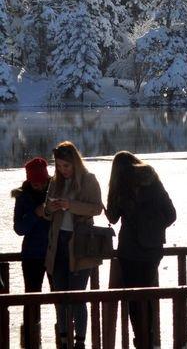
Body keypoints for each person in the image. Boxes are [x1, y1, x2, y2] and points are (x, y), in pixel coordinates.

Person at [106, 152, 177, 349]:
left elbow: (112, 217)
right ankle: (149, 338)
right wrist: (153, 227)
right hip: (153, 249)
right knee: (147, 295)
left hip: (129, 250)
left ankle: (141, 339)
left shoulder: (120, 183)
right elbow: (171, 214)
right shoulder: (152, 178)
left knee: (134, 297)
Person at [44, 142, 103, 349]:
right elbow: (46, 212)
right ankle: (63, 338)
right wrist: (50, 208)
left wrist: (71, 206)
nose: (62, 170)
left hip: (80, 244)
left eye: (66, 166)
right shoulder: (55, 182)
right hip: (58, 244)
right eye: (59, 166)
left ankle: (80, 341)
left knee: (78, 295)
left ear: (75, 163)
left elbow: (97, 209)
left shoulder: (89, 180)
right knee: (59, 295)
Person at [12, 157, 52, 348]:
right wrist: (35, 214)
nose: (39, 185)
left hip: (55, 253)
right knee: (31, 299)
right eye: (35, 182)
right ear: (29, 180)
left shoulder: (56, 192)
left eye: (42, 182)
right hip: (32, 256)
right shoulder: (23, 198)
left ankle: (64, 337)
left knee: (61, 297)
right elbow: (19, 228)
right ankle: (30, 341)